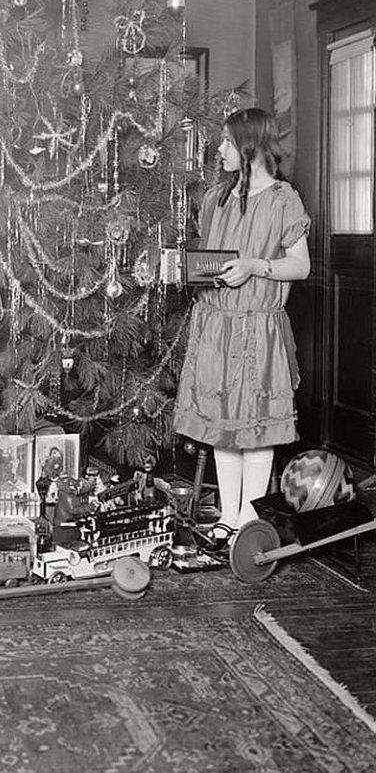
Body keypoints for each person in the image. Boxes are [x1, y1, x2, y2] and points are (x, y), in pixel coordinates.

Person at [174, 107, 311, 538]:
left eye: (228, 143)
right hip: (214, 324)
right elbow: (208, 255)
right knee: (221, 428)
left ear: (249, 146)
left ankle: (249, 519)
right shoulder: (216, 198)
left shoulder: (283, 199)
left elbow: (301, 266)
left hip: (257, 329)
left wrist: (254, 266)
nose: (220, 150)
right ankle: (228, 519)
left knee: (255, 429)